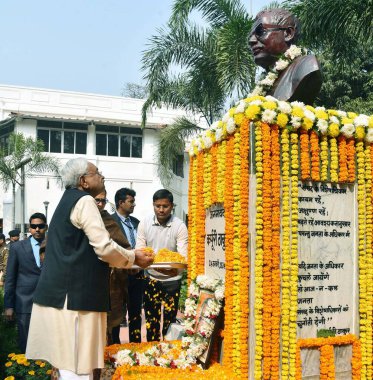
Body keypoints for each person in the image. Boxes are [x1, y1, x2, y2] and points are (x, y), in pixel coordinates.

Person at [25, 157, 154, 379]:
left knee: (68, 365)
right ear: (84, 181)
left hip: (62, 296)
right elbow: (104, 247)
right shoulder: (84, 201)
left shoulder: (66, 200)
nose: (102, 176)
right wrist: (134, 257)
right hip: (76, 298)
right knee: (79, 366)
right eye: (97, 173)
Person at [136, 189, 188, 342]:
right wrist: (157, 267)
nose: (161, 210)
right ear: (153, 205)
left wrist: (172, 269)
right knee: (151, 320)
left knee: (170, 321)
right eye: (157, 206)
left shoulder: (179, 226)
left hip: (173, 280)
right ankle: (151, 352)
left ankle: (168, 355)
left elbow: (183, 256)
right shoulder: (144, 224)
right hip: (151, 278)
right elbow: (140, 250)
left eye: (165, 206)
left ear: (172, 206)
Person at [249, 8, 322, 104]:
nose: (252, 40)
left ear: (288, 33)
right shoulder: (265, 81)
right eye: (250, 36)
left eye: (260, 31)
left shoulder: (307, 65)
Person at [3, 213, 47, 352]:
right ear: (29, 228)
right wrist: (8, 305)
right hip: (24, 302)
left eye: (40, 226)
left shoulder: (54, 245)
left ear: (46, 227)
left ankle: (44, 372)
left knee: (46, 342)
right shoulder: (17, 248)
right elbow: (10, 278)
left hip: (49, 301)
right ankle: (26, 372)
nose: (37, 229)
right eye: (34, 226)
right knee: (25, 342)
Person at [95, 189, 130, 345]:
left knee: (108, 331)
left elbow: (124, 248)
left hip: (107, 284)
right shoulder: (74, 216)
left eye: (103, 200)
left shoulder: (106, 219)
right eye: (97, 200)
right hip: (81, 286)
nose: (101, 204)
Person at [111, 187, 144, 343]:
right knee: (117, 314)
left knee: (136, 313)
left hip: (137, 276)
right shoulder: (110, 223)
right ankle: (115, 349)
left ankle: (136, 347)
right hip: (118, 277)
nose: (134, 205)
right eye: (131, 201)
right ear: (120, 202)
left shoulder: (138, 223)